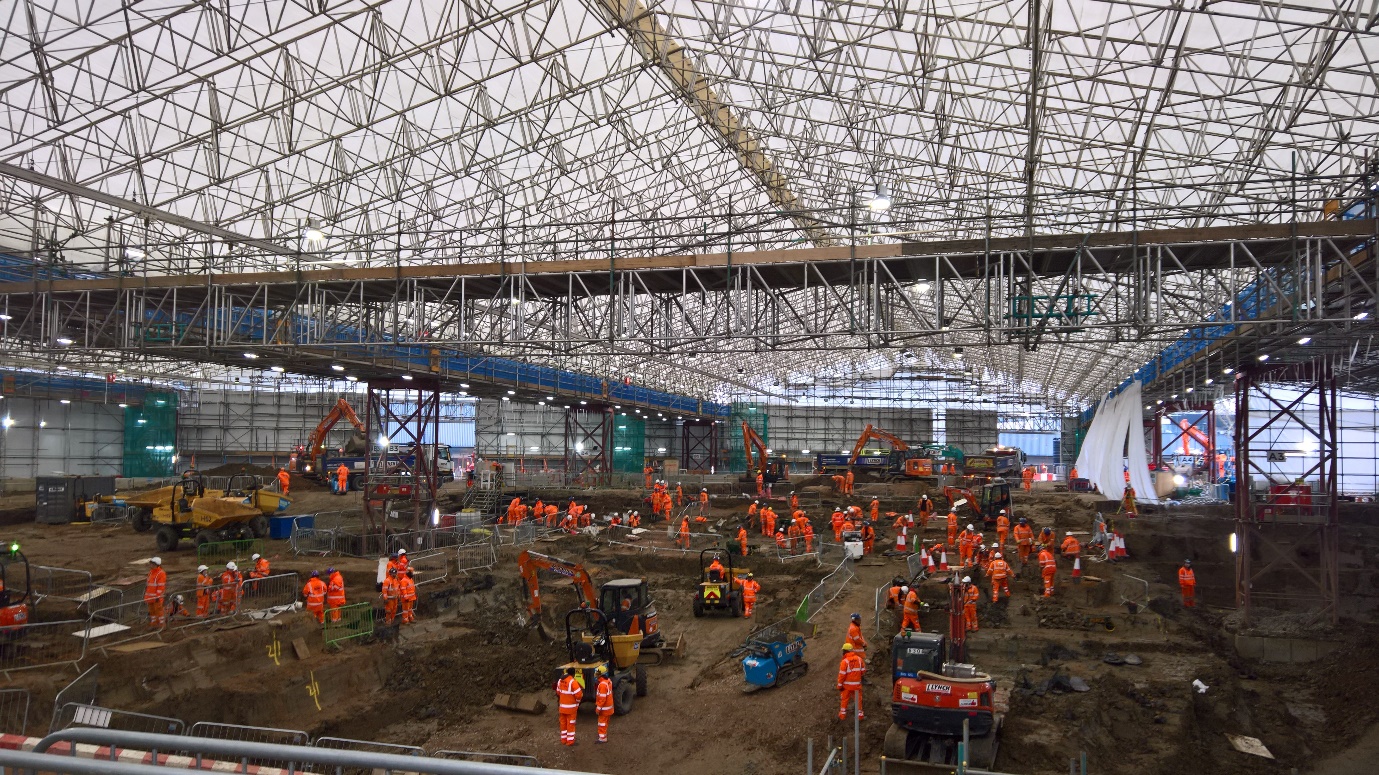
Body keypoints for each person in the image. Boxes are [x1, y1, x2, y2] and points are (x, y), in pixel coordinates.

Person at [837, 642, 866, 720]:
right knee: (858, 700)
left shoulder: (844, 662)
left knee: (844, 699)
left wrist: (839, 685)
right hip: (857, 686)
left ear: (845, 651)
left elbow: (842, 675)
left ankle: (842, 715)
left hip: (846, 686)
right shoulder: (859, 659)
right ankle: (860, 715)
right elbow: (863, 671)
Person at [556, 667, 583, 746]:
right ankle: (570, 741)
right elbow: (579, 695)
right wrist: (577, 703)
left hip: (562, 708)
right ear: (573, 674)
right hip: (571, 709)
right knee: (570, 724)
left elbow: (558, 692)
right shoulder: (573, 682)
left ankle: (563, 740)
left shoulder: (560, 681)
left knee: (563, 723)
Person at [594, 665, 615, 743]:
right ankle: (603, 736)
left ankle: (602, 738)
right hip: (609, 708)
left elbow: (602, 699)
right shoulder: (608, 681)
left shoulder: (602, 685)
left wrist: (598, 708)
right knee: (605, 723)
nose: (596, 675)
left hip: (604, 709)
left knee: (602, 723)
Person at [144, 557, 167, 628]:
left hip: (156, 597)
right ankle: (154, 624)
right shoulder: (151, 572)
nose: (150, 565)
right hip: (150, 597)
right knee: (152, 611)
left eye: (152, 563)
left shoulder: (161, 573)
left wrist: (158, 596)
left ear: (156, 564)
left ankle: (161, 625)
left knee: (159, 611)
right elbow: (148, 585)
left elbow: (161, 587)